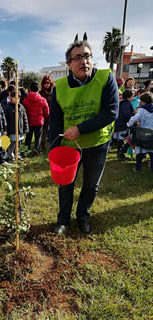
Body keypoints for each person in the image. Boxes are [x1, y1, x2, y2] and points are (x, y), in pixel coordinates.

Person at [49, 34, 119, 234]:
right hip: (69, 146)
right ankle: (63, 220)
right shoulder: (60, 87)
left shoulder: (105, 78)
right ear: (69, 63)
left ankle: (83, 216)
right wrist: (53, 147)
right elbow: (55, 119)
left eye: (87, 56)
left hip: (97, 143)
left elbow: (111, 112)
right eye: (78, 57)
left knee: (91, 185)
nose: (84, 61)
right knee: (65, 184)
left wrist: (80, 128)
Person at [127, 92, 153, 172]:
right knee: (152, 153)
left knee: (140, 153)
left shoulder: (142, 110)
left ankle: (138, 168)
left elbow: (134, 118)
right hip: (152, 133)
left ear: (143, 102)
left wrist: (129, 124)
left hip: (142, 133)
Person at [23, 81, 49, 156]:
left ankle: (26, 151)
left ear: (30, 89)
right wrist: (44, 117)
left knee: (28, 137)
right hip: (39, 121)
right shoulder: (43, 100)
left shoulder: (25, 100)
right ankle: (37, 151)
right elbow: (46, 112)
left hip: (29, 121)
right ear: (38, 89)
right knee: (38, 137)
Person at [4, 89, 29, 161]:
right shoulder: (8, 108)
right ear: (11, 98)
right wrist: (6, 130)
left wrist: (26, 128)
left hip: (20, 130)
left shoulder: (21, 107)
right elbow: (6, 120)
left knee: (19, 143)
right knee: (12, 144)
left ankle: (17, 154)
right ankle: (11, 155)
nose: (18, 100)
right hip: (12, 130)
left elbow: (25, 118)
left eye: (19, 98)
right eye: (16, 98)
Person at [113, 90, 135, 160]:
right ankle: (120, 154)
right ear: (128, 97)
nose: (133, 98)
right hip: (122, 124)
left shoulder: (123, 103)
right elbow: (126, 114)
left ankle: (119, 153)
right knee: (122, 139)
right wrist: (133, 116)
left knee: (121, 139)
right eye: (132, 96)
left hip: (119, 123)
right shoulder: (126, 103)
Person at [39, 75, 54, 150]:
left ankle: (53, 143)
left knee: (53, 128)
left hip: (53, 113)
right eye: (44, 83)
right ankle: (42, 144)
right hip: (44, 114)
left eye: (47, 83)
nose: (46, 84)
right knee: (44, 130)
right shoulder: (41, 92)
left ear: (50, 83)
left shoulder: (54, 91)